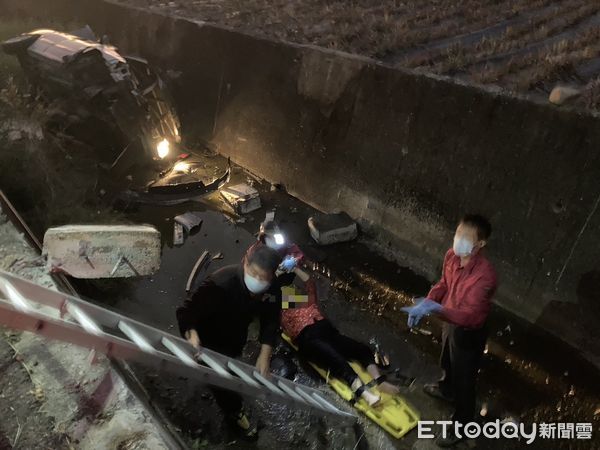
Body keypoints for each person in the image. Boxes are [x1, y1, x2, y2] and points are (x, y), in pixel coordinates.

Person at [402, 214, 497, 447]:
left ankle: (463, 425)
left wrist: (435, 309)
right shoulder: (452, 256)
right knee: (446, 358)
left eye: (466, 236)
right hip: (448, 319)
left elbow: (471, 316)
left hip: (469, 331)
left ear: (480, 244)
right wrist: (428, 301)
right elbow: (444, 283)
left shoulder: (485, 276)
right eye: (458, 233)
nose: (459, 239)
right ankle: (446, 389)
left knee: (465, 379)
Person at [176, 244, 282, 441]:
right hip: (209, 340)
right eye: (254, 273)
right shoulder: (221, 283)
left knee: (231, 362)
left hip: (236, 337)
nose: (258, 281)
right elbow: (187, 310)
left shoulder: (273, 288)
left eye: (264, 277)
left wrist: (266, 352)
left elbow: (271, 318)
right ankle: (234, 411)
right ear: (245, 263)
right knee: (221, 381)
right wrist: (191, 334)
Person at [282, 267, 400, 406]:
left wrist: (295, 268)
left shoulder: (308, 302)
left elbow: (309, 282)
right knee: (337, 361)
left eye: (293, 292)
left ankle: (379, 381)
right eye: (287, 296)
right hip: (309, 339)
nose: (291, 295)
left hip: (329, 333)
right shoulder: (283, 314)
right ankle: (366, 394)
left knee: (361, 349)